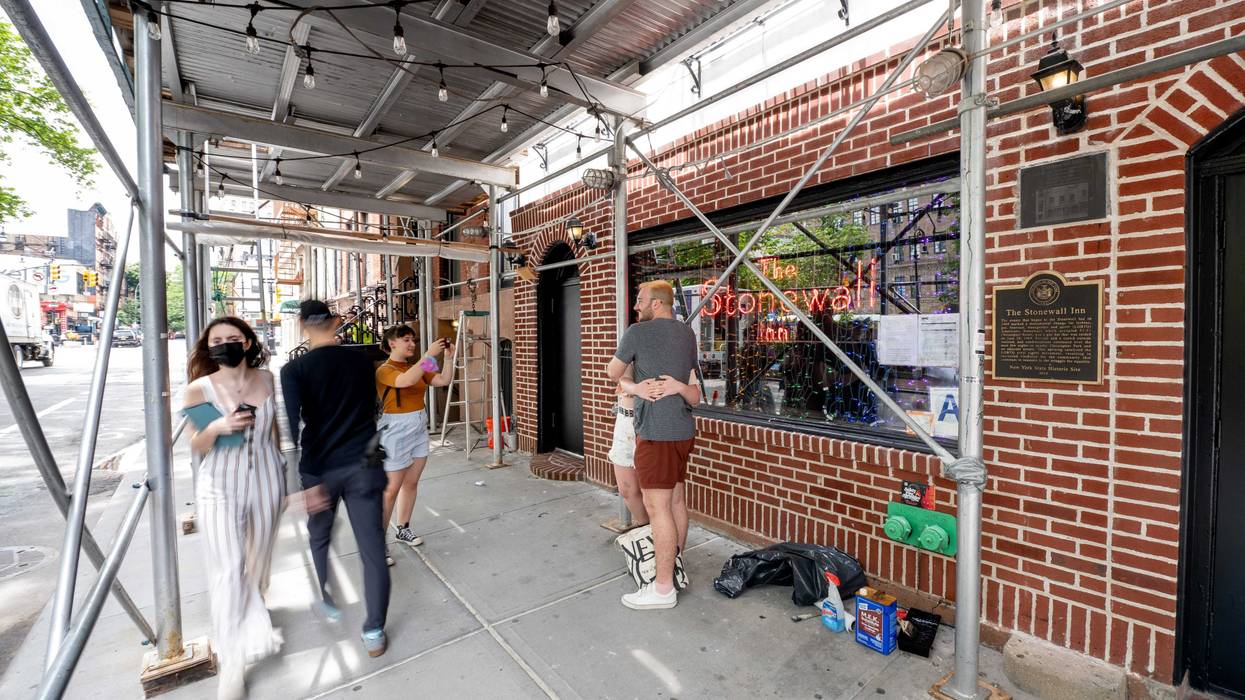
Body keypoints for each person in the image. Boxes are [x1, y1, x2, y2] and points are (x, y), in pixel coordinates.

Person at [280, 300, 390, 658]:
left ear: (302, 325)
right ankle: (373, 630)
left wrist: (302, 483)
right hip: (362, 464)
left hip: (319, 469)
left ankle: (326, 596)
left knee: (320, 537)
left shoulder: (293, 370)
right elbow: (374, 410)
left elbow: (293, 428)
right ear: (337, 322)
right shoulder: (362, 360)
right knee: (372, 549)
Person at [183, 317, 284, 699]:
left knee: (256, 569)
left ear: (247, 341)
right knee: (228, 570)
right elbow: (199, 444)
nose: (225, 344)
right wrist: (219, 426)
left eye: (232, 338)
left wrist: (283, 469)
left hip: (267, 478)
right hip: (220, 483)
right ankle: (232, 662)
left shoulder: (267, 379)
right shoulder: (199, 389)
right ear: (209, 349)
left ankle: (252, 612)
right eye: (217, 340)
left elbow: (274, 431)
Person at [607, 280, 701, 610]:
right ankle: (673, 568)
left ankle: (662, 588)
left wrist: (636, 386)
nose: (636, 305)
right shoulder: (687, 333)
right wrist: (665, 384)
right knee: (676, 501)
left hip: (656, 432)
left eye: (640, 299)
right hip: (682, 429)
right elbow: (691, 385)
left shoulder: (637, 331)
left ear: (656, 304)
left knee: (658, 508)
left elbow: (612, 372)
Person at [376, 325, 454, 561]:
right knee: (391, 490)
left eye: (413, 340)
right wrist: (429, 354)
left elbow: (442, 380)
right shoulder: (384, 369)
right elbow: (405, 381)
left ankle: (403, 528)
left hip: (418, 425)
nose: (411, 344)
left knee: (411, 482)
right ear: (392, 344)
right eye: (406, 340)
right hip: (395, 429)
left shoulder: (418, 365)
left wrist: (449, 358)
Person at [607, 366, 649, 527]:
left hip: (652, 420)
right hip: (626, 419)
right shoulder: (632, 342)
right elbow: (615, 372)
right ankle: (647, 532)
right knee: (626, 488)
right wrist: (635, 388)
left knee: (651, 491)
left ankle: (659, 535)